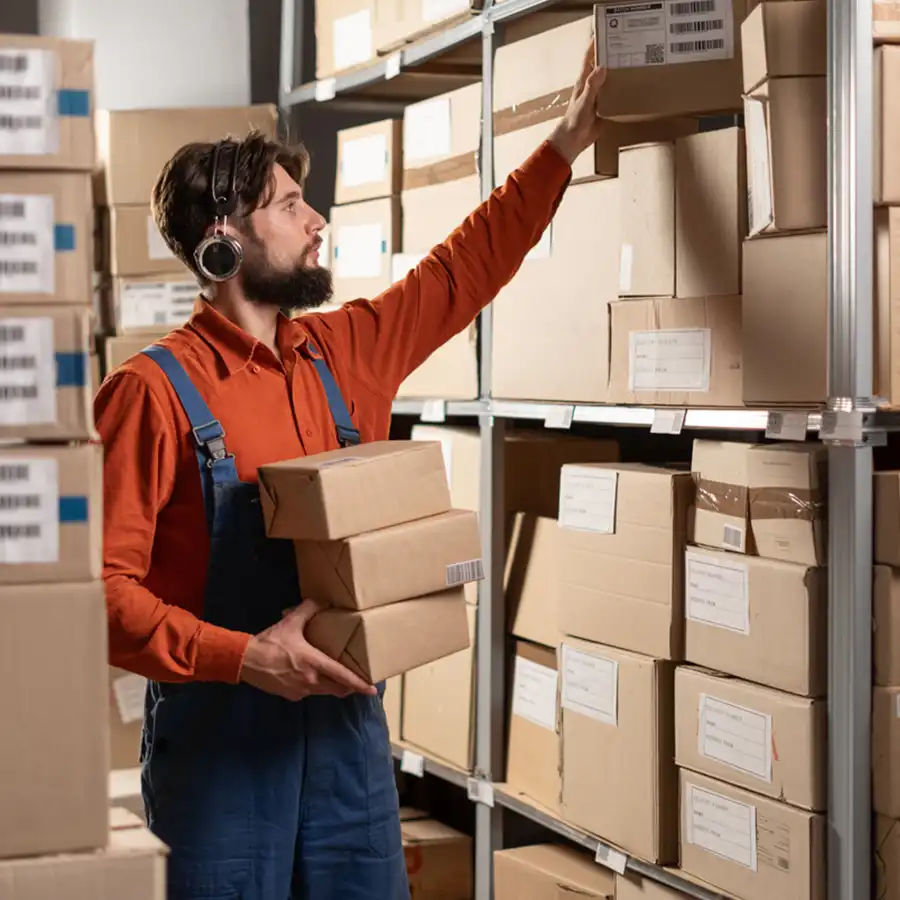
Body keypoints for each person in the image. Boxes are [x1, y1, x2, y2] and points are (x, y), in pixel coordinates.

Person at [94, 45, 607, 900]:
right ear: (224, 240)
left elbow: (464, 269)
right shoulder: (148, 395)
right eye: (291, 206)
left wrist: (566, 140)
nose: (317, 220)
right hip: (219, 755)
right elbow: (102, 600)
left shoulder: (345, 352)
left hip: (346, 743)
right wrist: (244, 655)